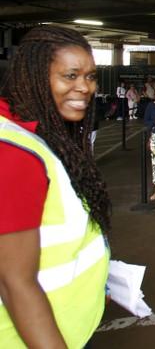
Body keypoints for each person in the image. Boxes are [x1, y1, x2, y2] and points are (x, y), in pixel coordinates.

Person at [0, 25, 111, 348]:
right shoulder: (14, 153)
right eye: (70, 76)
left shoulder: (40, 134)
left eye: (90, 76)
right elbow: (13, 283)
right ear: (34, 77)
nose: (85, 87)